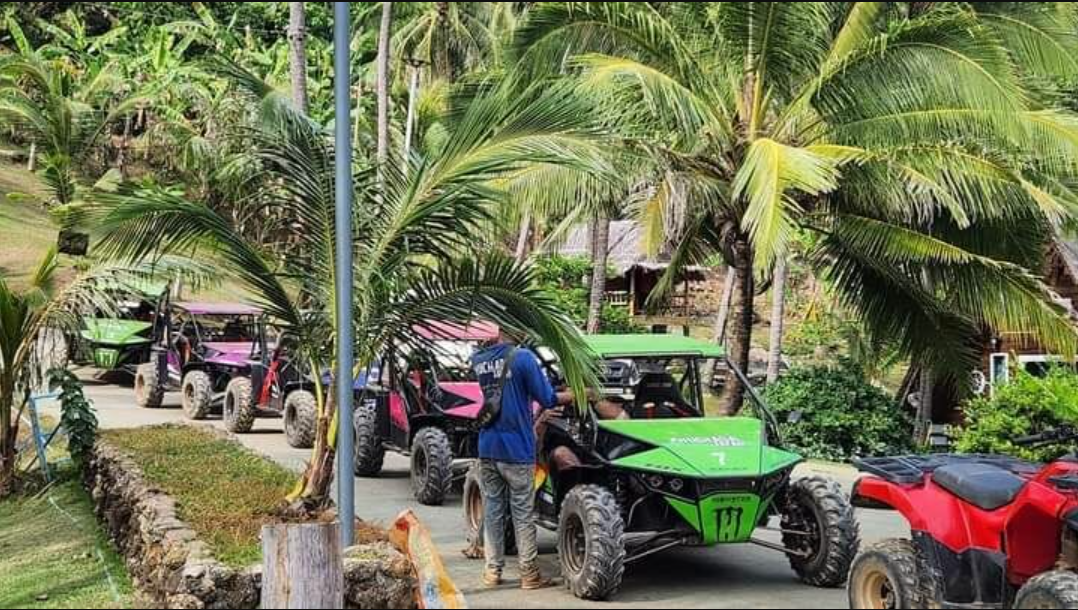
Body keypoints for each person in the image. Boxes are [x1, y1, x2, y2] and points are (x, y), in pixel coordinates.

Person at [471, 330, 575, 590]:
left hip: (488, 446)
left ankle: (492, 571)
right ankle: (529, 573)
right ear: (513, 327)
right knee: (522, 513)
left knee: (494, 510)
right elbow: (548, 398)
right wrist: (578, 394)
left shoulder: (479, 359)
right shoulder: (523, 358)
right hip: (516, 449)